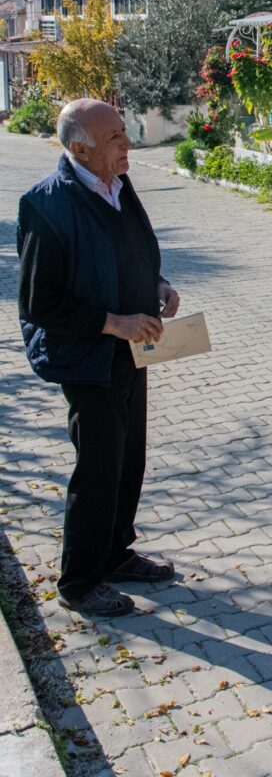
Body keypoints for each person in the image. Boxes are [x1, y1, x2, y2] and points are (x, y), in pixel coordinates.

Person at [17, 99, 180, 617]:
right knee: (99, 468)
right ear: (79, 148)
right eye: (114, 137)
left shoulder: (118, 183)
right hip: (87, 358)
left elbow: (134, 250)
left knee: (129, 459)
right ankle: (80, 582)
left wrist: (158, 284)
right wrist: (114, 322)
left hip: (132, 351)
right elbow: (39, 303)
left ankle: (115, 554)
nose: (127, 142)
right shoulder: (45, 204)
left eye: (124, 131)